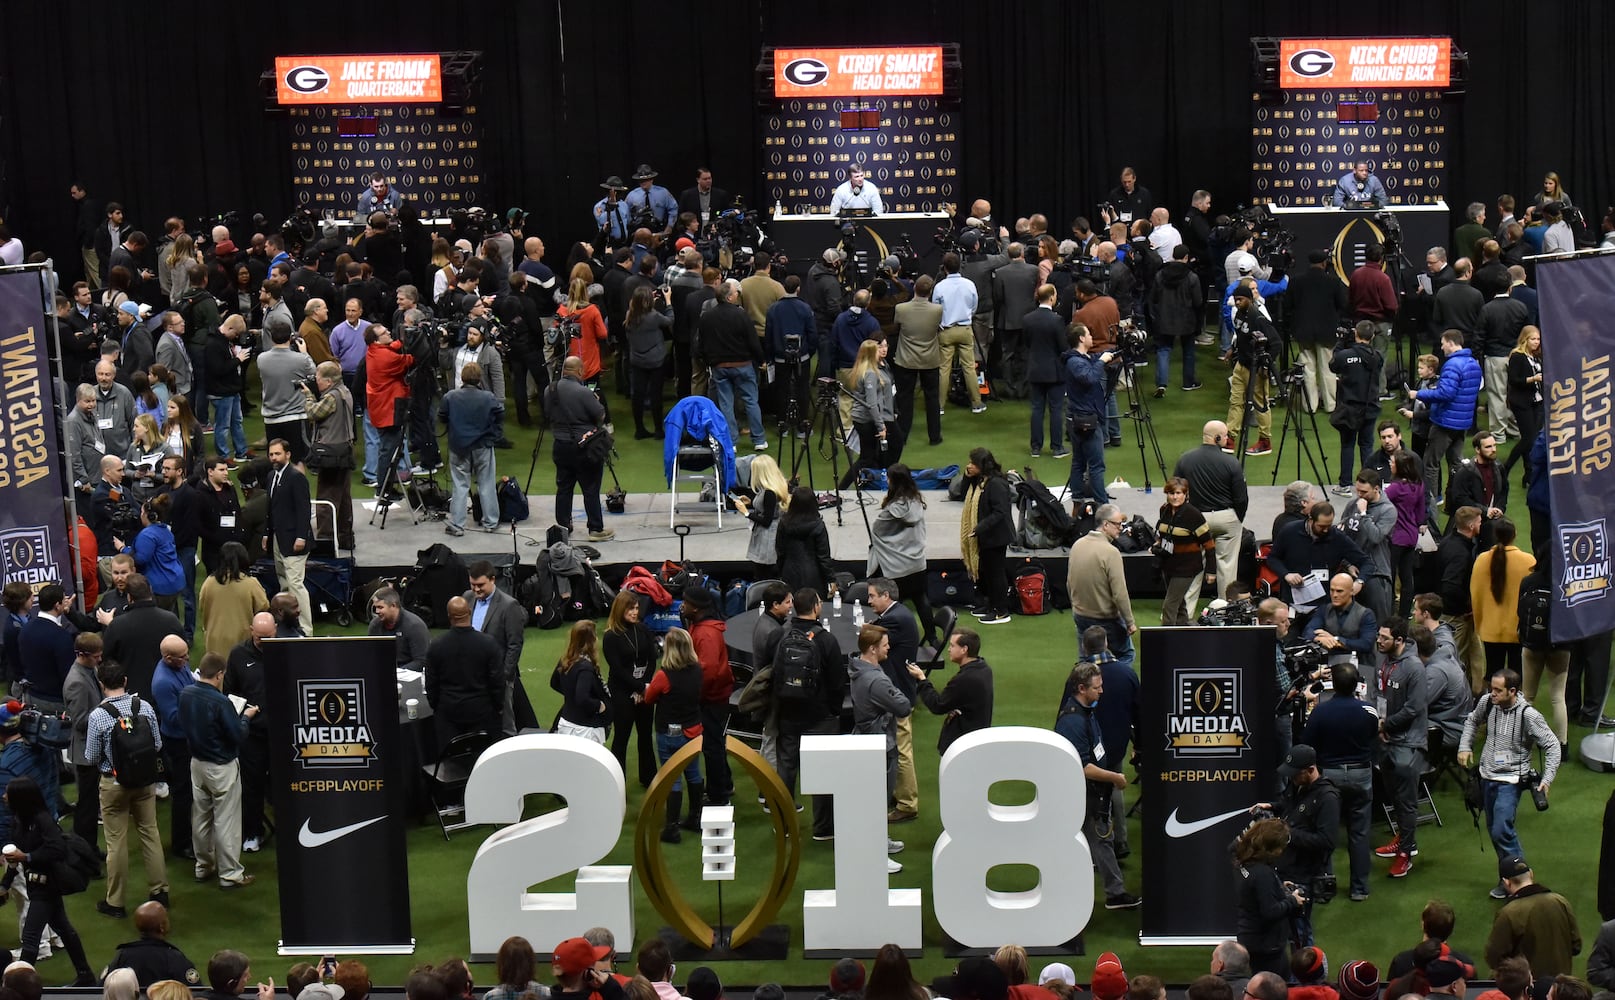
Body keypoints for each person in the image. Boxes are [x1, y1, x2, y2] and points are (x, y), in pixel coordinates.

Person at [1460, 667, 1562, 897]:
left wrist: (1547, 779)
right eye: (1491, 689)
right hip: (1486, 778)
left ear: (1512, 691)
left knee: (1501, 830)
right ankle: (1508, 879)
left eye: (1498, 690)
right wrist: (1465, 746)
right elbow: (1471, 721)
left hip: (1510, 781)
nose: (1491, 694)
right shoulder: (1488, 703)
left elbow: (1553, 745)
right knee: (1495, 830)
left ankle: (1521, 883)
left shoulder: (1529, 715)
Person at [85, 658, 168, 920]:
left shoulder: (98, 716)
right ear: (125, 681)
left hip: (113, 784)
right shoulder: (143, 707)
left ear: (101, 684)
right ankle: (160, 892)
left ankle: (116, 901)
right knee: (150, 833)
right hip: (144, 781)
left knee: (116, 842)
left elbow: (91, 757)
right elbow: (156, 744)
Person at [1054, 660, 1140, 910]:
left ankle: (1110, 891)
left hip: (1091, 792)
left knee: (1100, 839)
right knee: (1101, 839)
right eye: (1096, 687)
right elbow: (1081, 766)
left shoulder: (1085, 712)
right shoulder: (1073, 722)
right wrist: (1114, 777)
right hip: (1086, 793)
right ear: (1081, 688)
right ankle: (1114, 893)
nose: (1101, 691)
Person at [762, 589, 847, 838]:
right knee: (824, 771)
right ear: (816, 607)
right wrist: (832, 711)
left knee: (786, 769)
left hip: (788, 712)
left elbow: (771, 672)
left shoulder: (779, 635)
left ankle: (784, 824)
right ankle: (823, 827)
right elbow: (836, 682)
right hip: (820, 716)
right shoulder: (826, 640)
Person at [0, 777, 94, 982]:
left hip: (47, 886)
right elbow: (15, 859)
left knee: (31, 938)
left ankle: (17, 985)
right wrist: (5, 884)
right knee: (65, 930)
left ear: (20, 798)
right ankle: (85, 974)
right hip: (36, 885)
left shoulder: (42, 819)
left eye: (8, 793)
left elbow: (57, 849)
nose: (4, 797)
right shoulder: (18, 821)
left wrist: (26, 857)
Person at [1301, 663, 1378, 901]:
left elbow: (1308, 744)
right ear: (1357, 684)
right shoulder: (1369, 710)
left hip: (1330, 775)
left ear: (1332, 684)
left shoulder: (1320, 712)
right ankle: (1359, 888)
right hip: (1360, 774)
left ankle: (1325, 889)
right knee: (1360, 832)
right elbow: (1373, 737)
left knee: (1326, 832)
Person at [179, 651, 255, 889]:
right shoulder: (220, 702)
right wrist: (246, 717)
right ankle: (230, 874)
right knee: (226, 820)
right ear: (220, 674)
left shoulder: (185, 693)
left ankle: (203, 867)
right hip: (221, 767)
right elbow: (238, 735)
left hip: (197, 764)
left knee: (201, 816)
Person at [849, 624, 911, 873]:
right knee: (876, 801)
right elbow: (904, 706)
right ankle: (875, 855)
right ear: (873, 649)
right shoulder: (875, 680)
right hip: (879, 745)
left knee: (875, 799)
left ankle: (880, 842)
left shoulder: (858, 668)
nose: (889, 648)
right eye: (885, 645)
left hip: (870, 739)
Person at [640, 626, 706, 842]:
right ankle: (695, 819)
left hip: (670, 733)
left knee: (673, 778)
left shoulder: (664, 675)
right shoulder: (697, 670)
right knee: (694, 773)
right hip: (694, 730)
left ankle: (672, 828)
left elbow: (649, 698)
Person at [1172, 421, 1251, 599]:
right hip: (1226, 518)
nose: (1227, 439)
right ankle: (1226, 610)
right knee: (1227, 566)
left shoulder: (1185, 459)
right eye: (1225, 436)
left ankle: (1184, 615)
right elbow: (1241, 498)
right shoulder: (1232, 462)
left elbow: (1175, 491)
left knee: (1194, 566)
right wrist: (1237, 518)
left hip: (1197, 518)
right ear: (1217, 438)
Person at [1374, 617, 1428, 878]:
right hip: (1387, 740)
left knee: (1406, 802)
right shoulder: (1385, 660)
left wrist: (1386, 725)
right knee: (1394, 797)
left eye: (1384, 638)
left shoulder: (1414, 668)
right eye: (1379, 636)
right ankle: (1403, 839)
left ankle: (1406, 853)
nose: (1379, 641)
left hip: (1407, 742)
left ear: (1399, 640)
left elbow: (1414, 708)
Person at [867, 464, 937, 647]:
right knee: (921, 599)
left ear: (893, 481)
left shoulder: (891, 511)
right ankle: (933, 638)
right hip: (916, 563)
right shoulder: (917, 503)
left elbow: (878, 530)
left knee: (893, 607)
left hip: (895, 567)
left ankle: (896, 641)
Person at [545, 356, 613, 543]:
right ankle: (595, 528)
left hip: (560, 445)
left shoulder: (549, 390)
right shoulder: (583, 392)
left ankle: (563, 528)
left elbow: (547, 413)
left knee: (564, 487)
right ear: (579, 371)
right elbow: (600, 415)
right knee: (590, 488)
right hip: (584, 446)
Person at [424, 597, 504, 752]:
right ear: (470, 612)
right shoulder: (488, 644)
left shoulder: (437, 645)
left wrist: (437, 706)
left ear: (449, 616)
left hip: (448, 714)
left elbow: (431, 684)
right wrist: (497, 707)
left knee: (450, 762)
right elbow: (497, 682)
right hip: (482, 713)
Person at [1410, 331, 1483, 500]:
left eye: (1443, 343)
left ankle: (1430, 501)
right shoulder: (1473, 363)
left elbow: (1446, 394)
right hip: (1463, 421)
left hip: (1445, 421)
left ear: (1451, 343)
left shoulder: (1452, 365)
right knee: (1456, 463)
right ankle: (1456, 498)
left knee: (1431, 463)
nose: (1441, 347)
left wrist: (1419, 394)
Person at [699, 279, 766, 452]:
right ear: (729, 297)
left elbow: (703, 343)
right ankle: (759, 439)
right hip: (743, 365)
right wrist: (761, 359)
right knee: (751, 401)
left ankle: (731, 441)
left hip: (720, 367)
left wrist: (709, 362)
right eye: (736, 293)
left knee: (726, 404)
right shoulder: (741, 315)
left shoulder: (707, 316)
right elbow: (752, 340)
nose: (738, 295)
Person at [1068, 504, 1138, 670]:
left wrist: (1076, 607)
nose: (1121, 528)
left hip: (1080, 614)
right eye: (1118, 524)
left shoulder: (1077, 545)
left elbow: (1069, 582)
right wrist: (1130, 622)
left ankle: (1086, 689)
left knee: (1086, 660)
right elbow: (1120, 593)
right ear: (1105, 524)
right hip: (1105, 619)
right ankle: (1114, 684)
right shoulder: (1111, 552)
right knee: (1126, 654)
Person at [681, 586, 734, 807]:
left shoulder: (705, 633)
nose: (681, 606)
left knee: (712, 747)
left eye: (685, 602)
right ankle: (725, 785)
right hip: (713, 696)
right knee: (714, 744)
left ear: (696, 607)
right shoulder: (700, 627)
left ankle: (718, 796)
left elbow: (708, 671)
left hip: (711, 699)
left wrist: (695, 696)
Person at [437, 362, 502, 538]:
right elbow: (499, 415)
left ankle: (457, 525)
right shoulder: (488, 397)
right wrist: (493, 436)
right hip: (482, 446)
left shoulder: (450, 397)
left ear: (463, 378)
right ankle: (490, 522)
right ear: (479, 378)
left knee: (460, 485)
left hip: (459, 446)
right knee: (486, 483)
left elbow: (442, 417)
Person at [1485, 857, 1581, 976]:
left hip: (1526, 987)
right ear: (1531, 874)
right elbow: (1576, 945)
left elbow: (1494, 957)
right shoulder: (1560, 901)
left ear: (1506, 882)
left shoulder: (1508, 913)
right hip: (1561, 984)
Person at [1232, 817, 1303, 976]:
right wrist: (1292, 900)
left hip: (1251, 937)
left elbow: (1257, 894)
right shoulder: (1262, 873)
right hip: (1267, 947)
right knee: (1272, 990)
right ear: (1271, 848)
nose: (1282, 851)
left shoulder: (1242, 862)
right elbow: (1270, 911)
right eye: (1281, 846)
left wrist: (1278, 888)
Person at [906, 627, 994, 754]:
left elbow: (937, 705)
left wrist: (921, 679)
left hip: (962, 744)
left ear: (964, 649)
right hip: (975, 737)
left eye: (952, 646)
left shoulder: (964, 679)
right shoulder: (984, 668)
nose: (949, 649)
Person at [603, 591, 656, 787]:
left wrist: (644, 687)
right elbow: (617, 669)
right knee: (622, 737)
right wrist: (639, 687)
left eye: (636, 608)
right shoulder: (611, 637)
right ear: (620, 609)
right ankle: (617, 780)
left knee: (645, 735)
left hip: (644, 689)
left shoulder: (642, 630)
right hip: (622, 692)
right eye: (630, 609)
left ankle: (649, 776)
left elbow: (652, 660)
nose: (635, 612)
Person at [300, 361, 355, 550]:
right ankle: (346, 537)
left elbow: (313, 413)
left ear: (329, 381)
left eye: (318, 378)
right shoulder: (345, 391)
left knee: (326, 497)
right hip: (344, 450)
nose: (316, 381)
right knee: (343, 497)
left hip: (332, 454)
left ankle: (325, 540)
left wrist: (308, 396)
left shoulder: (331, 396)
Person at [262, 439, 311, 637]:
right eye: (271, 454)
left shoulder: (296, 477)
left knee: (296, 584)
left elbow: (304, 509)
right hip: (277, 539)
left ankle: (306, 629)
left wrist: (301, 536)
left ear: (288, 455)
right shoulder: (271, 476)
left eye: (277, 454)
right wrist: (267, 533)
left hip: (293, 540)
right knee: (283, 581)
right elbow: (270, 509)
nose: (274, 458)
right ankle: (287, 625)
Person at [1471, 519, 1532, 678]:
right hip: (1518, 630)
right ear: (1514, 535)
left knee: (1493, 673)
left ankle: (1493, 702)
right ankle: (1516, 702)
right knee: (1517, 675)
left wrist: (1479, 625)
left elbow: (1476, 596)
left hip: (1490, 629)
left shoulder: (1482, 560)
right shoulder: (1528, 561)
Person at [961, 448, 1016, 625]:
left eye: (973, 464)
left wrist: (979, 528)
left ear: (982, 466)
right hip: (984, 535)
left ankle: (1001, 611)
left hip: (996, 536)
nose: (969, 466)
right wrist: (967, 476)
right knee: (986, 572)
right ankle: (990, 604)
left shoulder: (996, 484)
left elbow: (1000, 512)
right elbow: (962, 493)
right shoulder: (980, 481)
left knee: (996, 574)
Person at [1156, 478, 1217, 625]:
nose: (1175, 497)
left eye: (1178, 493)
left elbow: (1209, 545)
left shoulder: (1193, 515)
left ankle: (1167, 639)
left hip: (1186, 568)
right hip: (1168, 565)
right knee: (1179, 603)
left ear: (1185, 494)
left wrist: (1211, 571)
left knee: (1170, 605)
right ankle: (1184, 630)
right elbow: (1164, 534)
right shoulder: (1164, 510)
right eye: (1171, 493)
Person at [1330, 321, 1383, 490]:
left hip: (1349, 408)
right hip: (1370, 407)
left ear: (1355, 334)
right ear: (1373, 336)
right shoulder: (1378, 356)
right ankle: (1367, 485)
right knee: (1367, 445)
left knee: (1348, 444)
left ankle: (1345, 485)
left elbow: (1333, 365)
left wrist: (1340, 342)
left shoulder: (1345, 355)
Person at [841, 339, 901, 489]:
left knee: (870, 457)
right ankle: (842, 487)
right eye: (877, 350)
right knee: (866, 458)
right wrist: (880, 426)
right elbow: (871, 403)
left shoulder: (860, 370)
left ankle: (870, 482)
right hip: (866, 421)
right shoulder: (870, 374)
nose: (881, 351)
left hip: (862, 420)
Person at [892, 274, 943, 447]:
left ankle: (902, 437)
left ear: (914, 289)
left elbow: (897, 326)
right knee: (932, 398)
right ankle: (934, 437)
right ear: (930, 291)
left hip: (906, 359)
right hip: (929, 359)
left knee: (904, 398)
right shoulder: (937, 310)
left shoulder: (901, 308)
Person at [1062, 323, 1111, 504]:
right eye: (1089, 334)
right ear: (1081, 338)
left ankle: (1078, 501)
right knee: (1096, 466)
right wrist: (1102, 362)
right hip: (1086, 419)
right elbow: (1089, 378)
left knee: (1079, 463)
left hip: (1081, 417)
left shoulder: (1080, 358)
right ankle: (1102, 506)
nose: (1092, 336)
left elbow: (1094, 360)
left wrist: (1112, 354)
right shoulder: (1075, 361)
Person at [102, 901, 202, 989]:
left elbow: (99, 989)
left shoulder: (122, 956)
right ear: (161, 927)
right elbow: (196, 992)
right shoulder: (174, 958)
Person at [623, 286, 671, 439]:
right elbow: (670, 320)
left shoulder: (630, 315)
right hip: (656, 360)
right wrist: (668, 302)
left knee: (638, 395)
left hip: (637, 360)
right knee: (656, 395)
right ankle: (658, 430)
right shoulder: (654, 316)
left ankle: (639, 429)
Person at [1385, 451, 1429, 618]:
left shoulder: (1395, 488)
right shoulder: (1418, 484)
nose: (1390, 464)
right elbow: (1420, 514)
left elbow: (1381, 503)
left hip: (1396, 537)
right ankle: (1404, 615)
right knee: (1407, 577)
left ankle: (1388, 612)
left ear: (1400, 467)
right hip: (1411, 536)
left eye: (1393, 462)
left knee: (1389, 576)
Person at [1448, 432, 1509, 549]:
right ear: (1477, 449)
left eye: (1494, 445)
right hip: (1470, 523)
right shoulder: (1465, 472)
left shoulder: (1498, 467)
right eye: (1488, 447)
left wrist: (1500, 508)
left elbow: (1504, 490)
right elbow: (1460, 499)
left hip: (1492, 522)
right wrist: (1484, 511)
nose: (1493, 449)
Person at [553, 620, 609, 743]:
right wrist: (599, 705)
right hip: (584, 730)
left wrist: (570, 695)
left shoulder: (566, 660)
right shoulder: (586, 668)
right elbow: (582, 698)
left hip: (566, 722)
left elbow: (554, 683)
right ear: (590, 641)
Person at [1501, 327, 1544, 487]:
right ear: (1525, 339)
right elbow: (1514, 380)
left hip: (1537, 401)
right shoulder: (1517, 356)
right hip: (1521, 401)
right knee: (1528, 438)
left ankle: (1529, 474)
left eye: (1538, 339)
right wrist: (1532, 379)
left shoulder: (1536, 356)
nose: (1536, 342)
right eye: (1533, 339)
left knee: (1532, 439)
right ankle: (1506, 467)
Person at [735, 455, 790, 579]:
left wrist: (746, 513)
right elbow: (768, 507)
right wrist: (751, 502)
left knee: (763, 574)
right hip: (772, 534)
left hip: (767, 539)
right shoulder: (774, 487)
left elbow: (766, 521)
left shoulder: (769, 492)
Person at [775, 487, 834, 596]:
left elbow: (780, 551)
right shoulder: (818, 525)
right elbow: (824, 556)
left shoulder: (783, 523)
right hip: (814, 575)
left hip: (789, 572)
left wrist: (780, 572)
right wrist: (831, 579)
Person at [367, 588, 429, 673]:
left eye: (380, 607)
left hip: (409, 676)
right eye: (375, 607)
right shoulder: (374, 625)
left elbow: (422, 661)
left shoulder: (414, 626)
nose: (377, 611)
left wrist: (396, 672)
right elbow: (371, 655)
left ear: (393, 606)